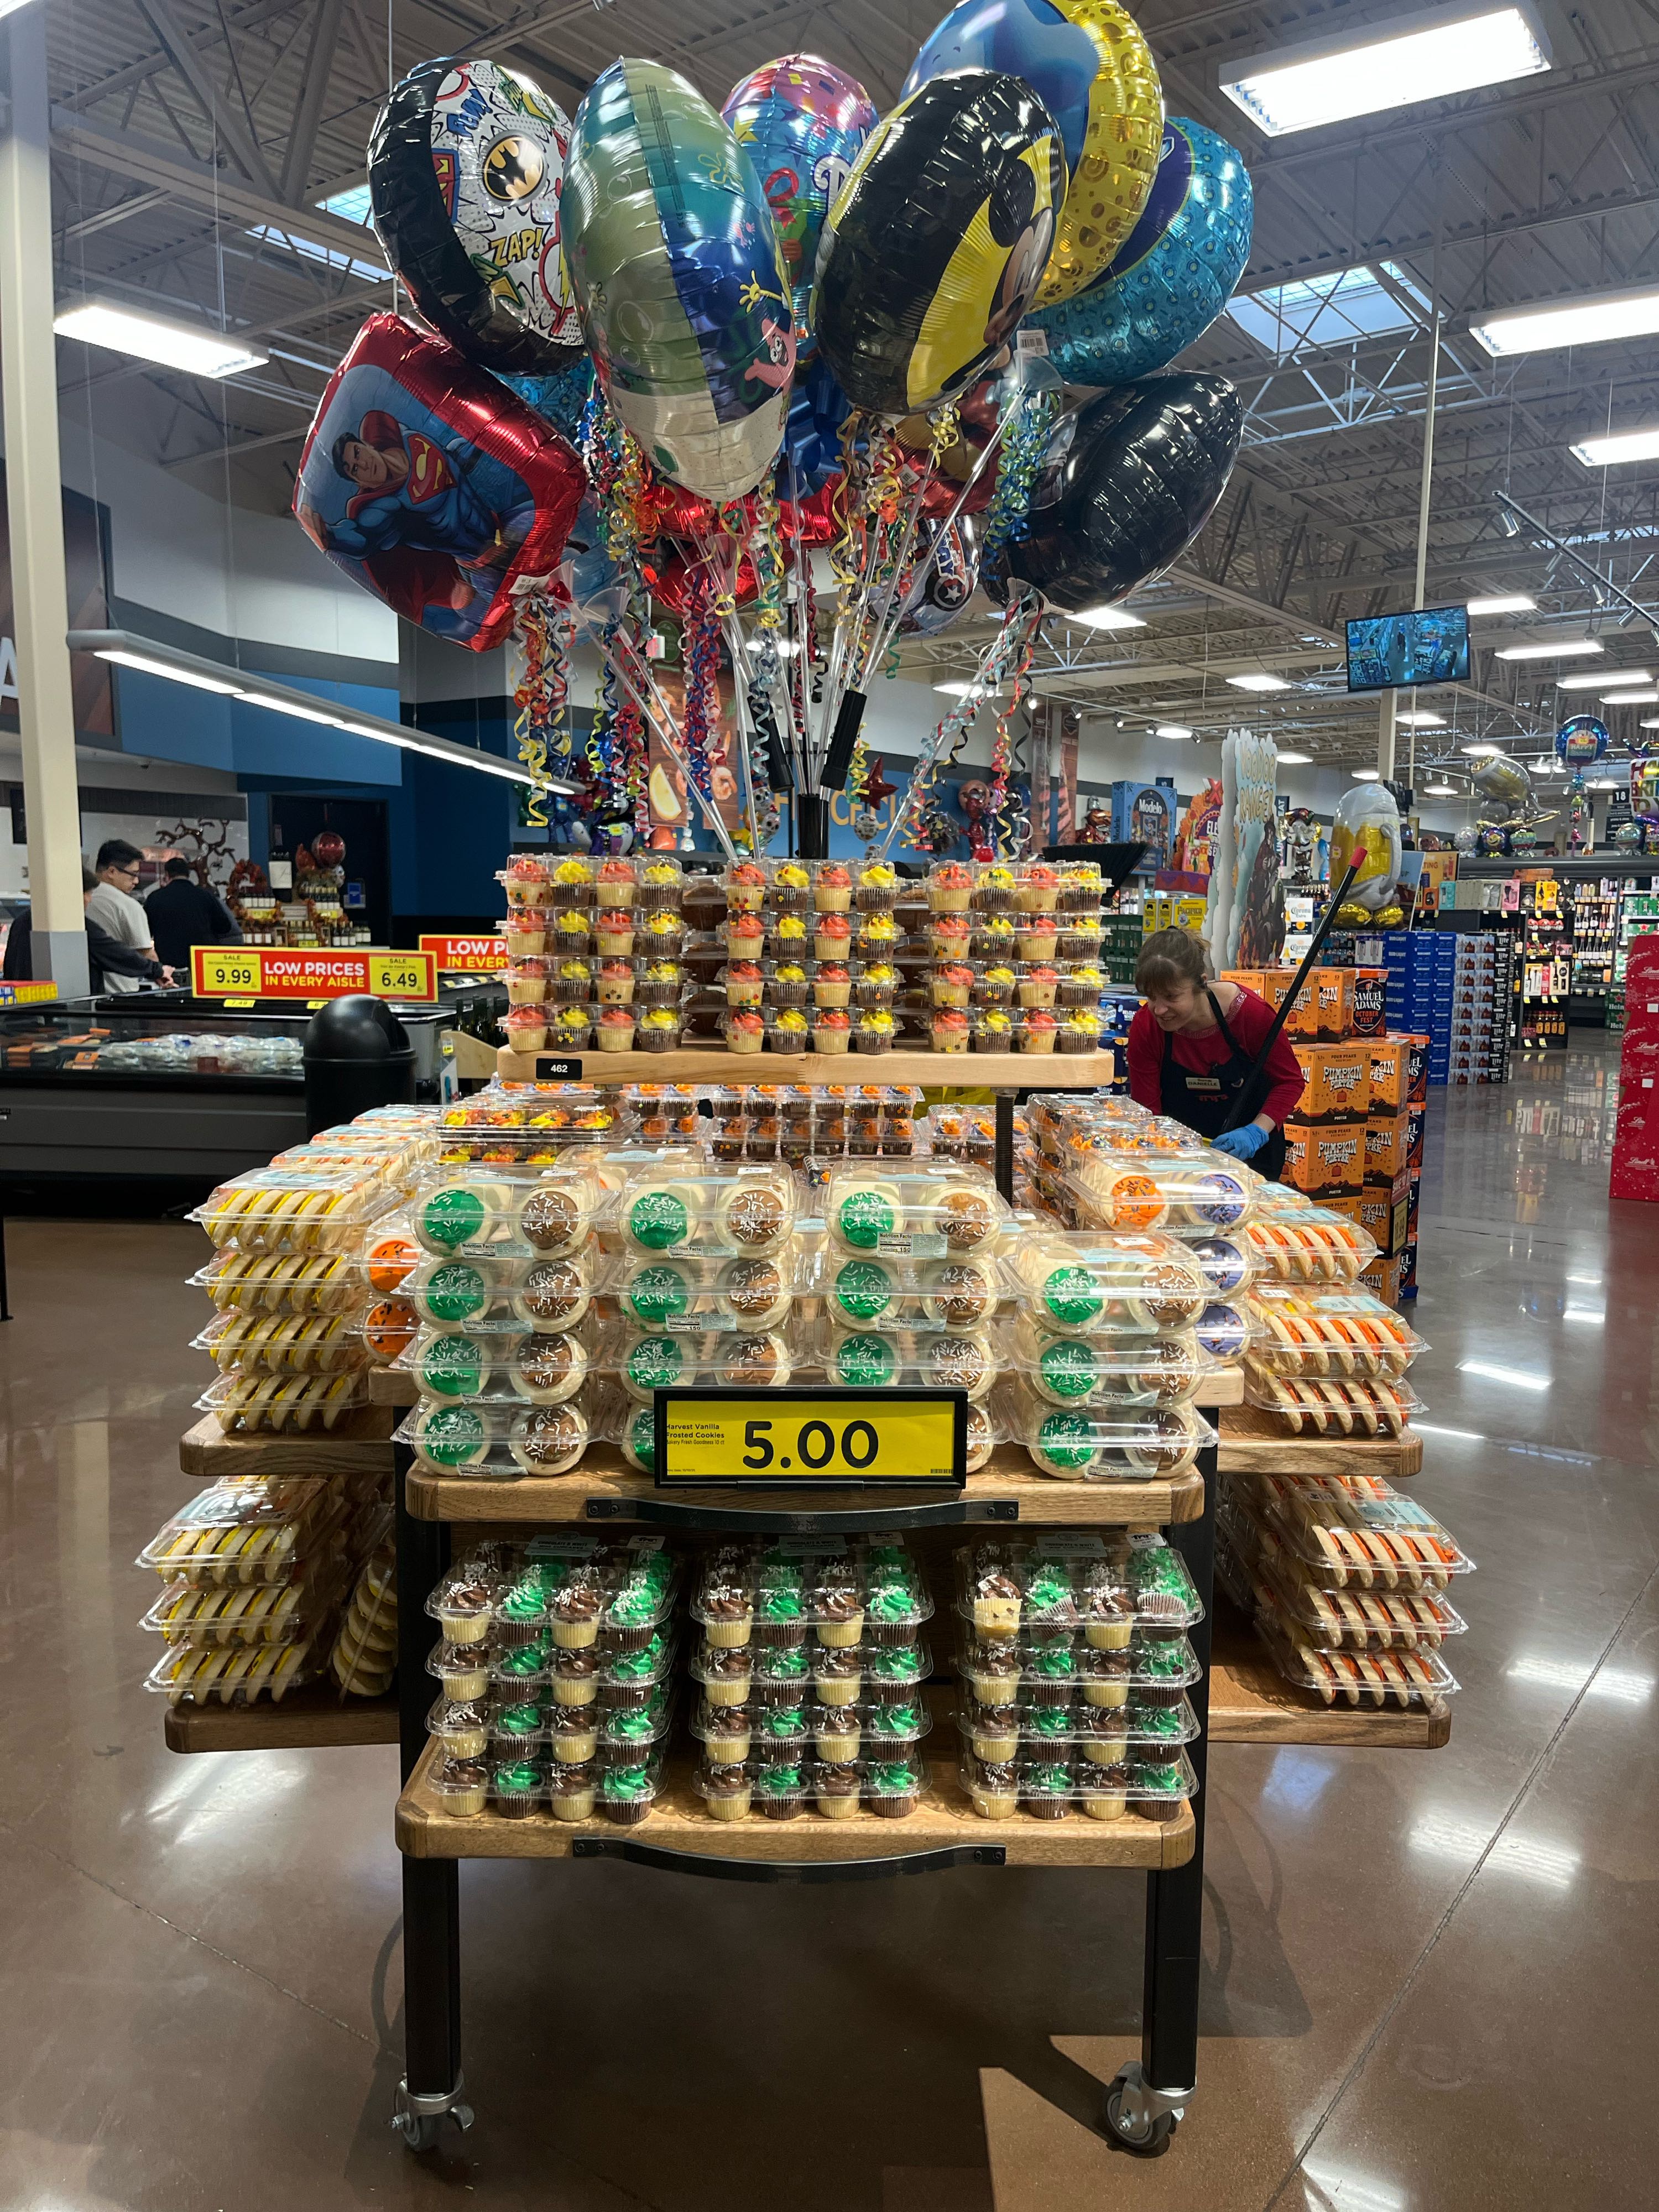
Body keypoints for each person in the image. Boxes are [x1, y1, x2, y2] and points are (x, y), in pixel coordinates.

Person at [1125, 927, 1304, 1176]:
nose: (1159, 1010)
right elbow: (1148, 1112)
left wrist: (1256, 1132)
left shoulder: (1250, 1016)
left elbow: (1290, 1082)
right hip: (1176, 1160)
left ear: (1202, 981)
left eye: (1171, 997)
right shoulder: (1147, 1027)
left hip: (1250, 1160)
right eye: (1151, 997)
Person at [2, 869, 173, 992]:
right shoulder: (74, 924)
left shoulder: (22, 920)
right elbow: (114, 953)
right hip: (63, 1016)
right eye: (88, 893)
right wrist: (157, 970)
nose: (90, 900)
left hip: (21, 1011)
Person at [84, 838, 159, 995]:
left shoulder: (80, 900)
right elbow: (147, 955)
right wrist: (162, 973)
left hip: (85, 992)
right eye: (133, 874)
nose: (136, 881)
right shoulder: (129, 905)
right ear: (112, 872)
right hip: (121, 994)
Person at [143, 857, 242, 974]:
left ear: (167, 874)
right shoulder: (206, 896)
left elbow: (145, 932)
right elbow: (225, 927)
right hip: (204, 963)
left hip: (169, 965)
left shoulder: (155, 898)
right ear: (188, 874)